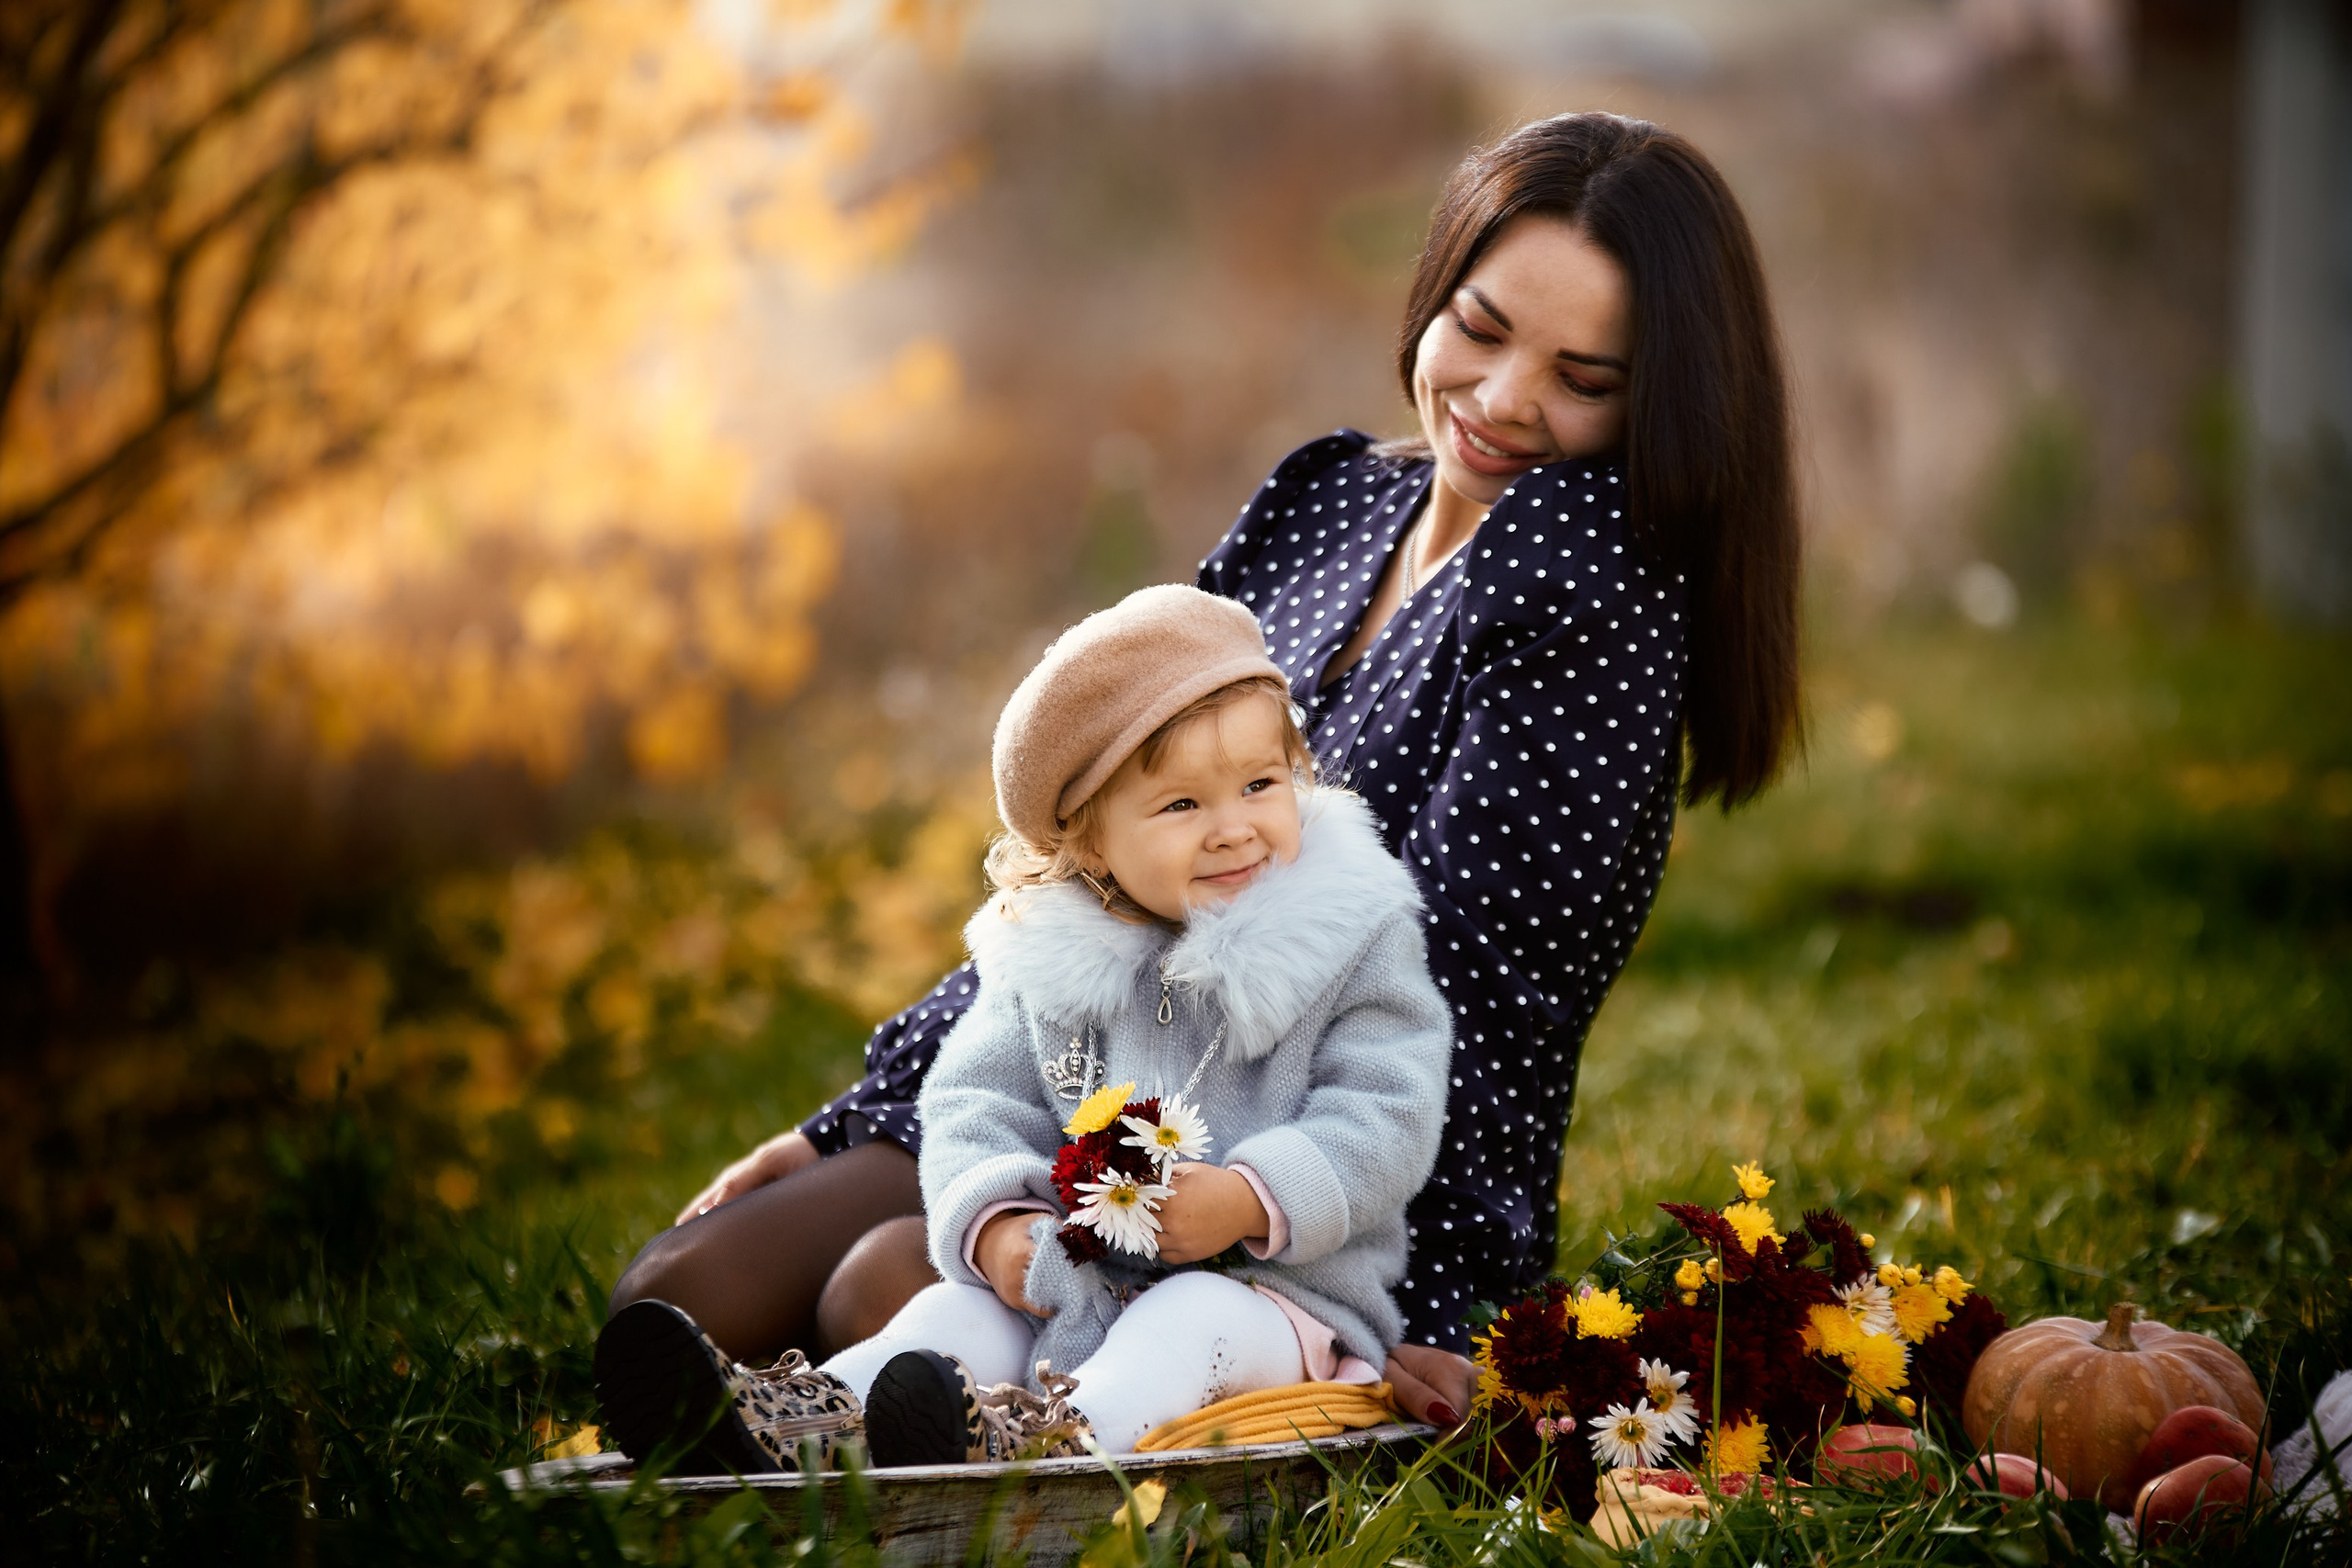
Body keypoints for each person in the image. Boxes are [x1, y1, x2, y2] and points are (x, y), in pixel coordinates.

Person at [608, 109, 1801, 1432]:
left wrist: (1413, 1305)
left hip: (1310, 1167)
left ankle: (950, 1418)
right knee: (679, 1289)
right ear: (1435, 293)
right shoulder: (1328, 504)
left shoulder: (1583, 588)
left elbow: (1477, 990)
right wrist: (857, 1118)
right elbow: (1089, 855)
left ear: (1659, 405)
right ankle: (887, 1386)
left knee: (880, 1283)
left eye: (1584, 378)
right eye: (1481, 326)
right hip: (1100, 1088)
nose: (1506, 397)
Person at [595, 585, 1451, 1470]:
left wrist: (1248, 1196)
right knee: (953, 1314)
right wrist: (997, 1224)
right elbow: (972, 1101)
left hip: (1279, 1308)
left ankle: (1054, 1437)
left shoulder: (1351, 936)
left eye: (1261, 784)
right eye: (1182, 806)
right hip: (1078, 1289)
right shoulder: (1049, 966)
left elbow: (1389, 1111)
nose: (1234, 828)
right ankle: (811, 1416)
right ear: (1091, 842)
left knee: (1184, 1318)